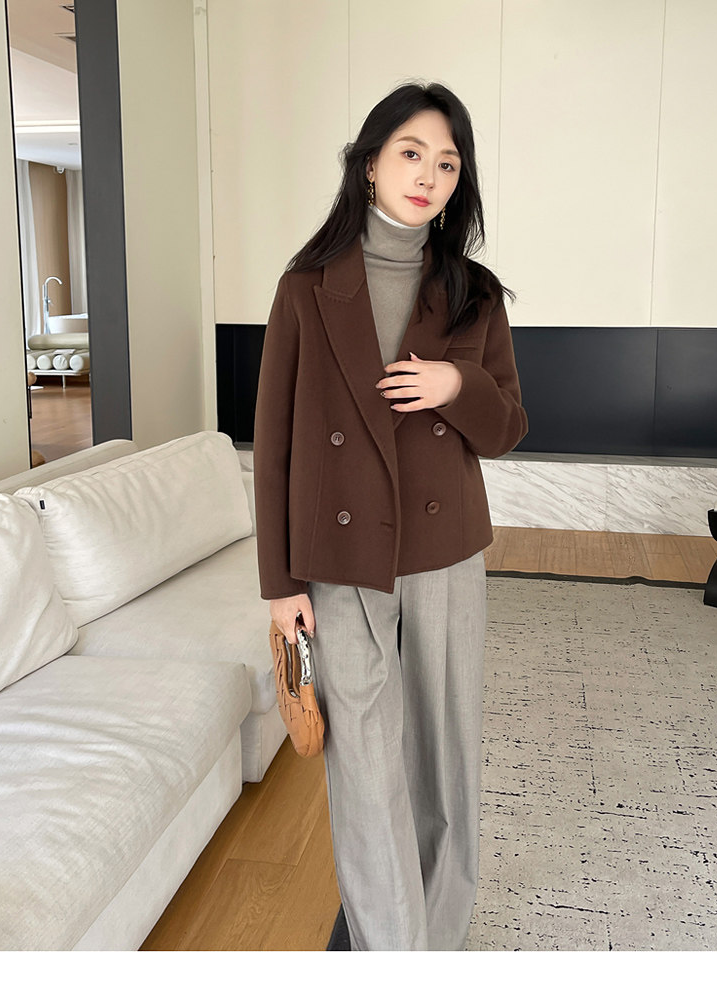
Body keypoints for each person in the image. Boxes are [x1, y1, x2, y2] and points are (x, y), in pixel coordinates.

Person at [253, 81, 528, 951]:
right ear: (370, 164)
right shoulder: (305, 289)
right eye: (412, 153)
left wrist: (457, 384)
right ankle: (393, 952)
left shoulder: (474, 293)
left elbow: (507, 427)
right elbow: (274, 446)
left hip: (444, 552)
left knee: (445, 758)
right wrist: (280, 586)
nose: (428, 175)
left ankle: (438, 936)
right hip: (341, 563)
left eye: (447, 163)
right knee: (367, 770)